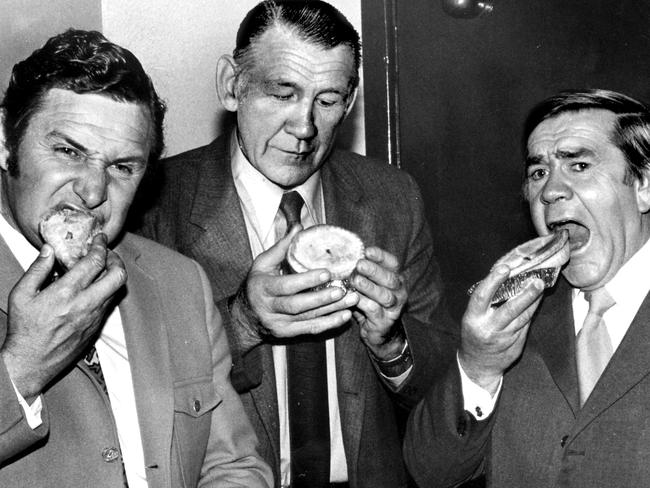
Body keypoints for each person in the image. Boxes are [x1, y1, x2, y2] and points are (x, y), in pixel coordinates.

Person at [133, 1, 457, 487]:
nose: (304, 127)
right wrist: (240, 322)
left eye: (326, 100)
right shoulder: (154, 204)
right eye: (282, 93)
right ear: (230, 86)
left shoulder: (394, 198)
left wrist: (391, 343)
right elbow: (136, 391)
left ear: (349, 104)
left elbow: (447, 394)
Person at [0, 29, 272, 487]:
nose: (92, 192)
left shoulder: (178, 282)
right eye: (68, 151)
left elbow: (234, 466)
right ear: (6, 140)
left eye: (123, 167)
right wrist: (21, 366)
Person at [404, 88, 650, 487]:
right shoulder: (508, 318)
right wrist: (478, 366)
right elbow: (433, 472)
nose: (550, 191)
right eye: (538, 172)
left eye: (580, 165)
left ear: (643, 185)